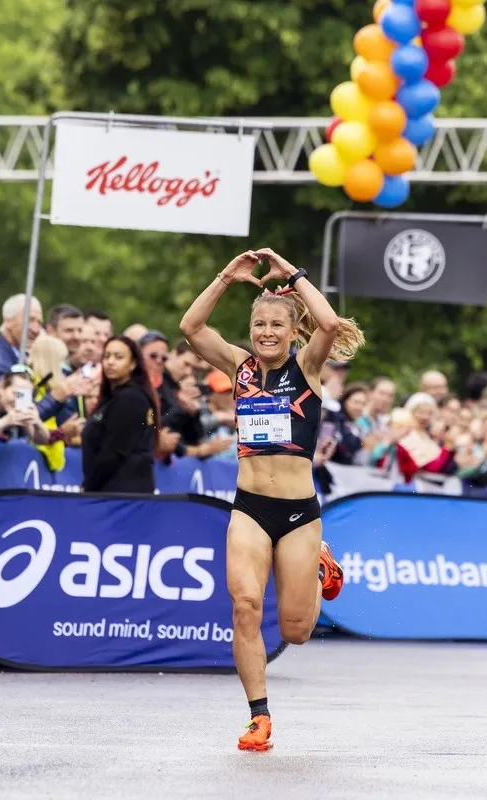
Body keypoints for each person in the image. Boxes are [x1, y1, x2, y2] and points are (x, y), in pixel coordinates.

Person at [179, 247, 364, 752]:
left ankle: (320, 561)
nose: (265, 332)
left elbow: (327, 324)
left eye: (275, 325)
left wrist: (292, 274)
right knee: (244, 604)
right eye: (258, 324)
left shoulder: (306, 367)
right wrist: (226, 276)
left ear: (290, 330)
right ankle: (258, 716)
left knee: (297, 630)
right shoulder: (238, 367)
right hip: (250, 508)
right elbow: (192, 328)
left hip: (300, 515)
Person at [80, 335, 158, 493]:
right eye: (107, 356)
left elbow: (115, 451)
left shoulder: (131, 398)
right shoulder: (113, 397)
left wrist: (89, 486)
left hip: (122, 493)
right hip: (114, 490)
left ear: (133, 364)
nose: (110, 362)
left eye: (119, 357)